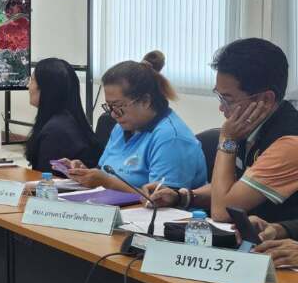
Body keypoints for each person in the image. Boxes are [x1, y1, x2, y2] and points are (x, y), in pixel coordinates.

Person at [144, 38, 298, 223]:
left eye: (228, 99)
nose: (221, 108)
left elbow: (223, 211)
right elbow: (235, 188)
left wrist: (227, 139)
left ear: (265, 100)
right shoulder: (252, 125)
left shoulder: (289, 143)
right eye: (219, 96)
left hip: (275, 239)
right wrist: (183, 196)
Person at [64, 51, 206, 191]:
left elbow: (161, 200)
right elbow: (105, 172)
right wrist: (86, 174)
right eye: (109, 106)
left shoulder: (171, 139)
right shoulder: (122, 127)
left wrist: (107, 182)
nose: (113, 114)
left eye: (118, 106)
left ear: (145, 101)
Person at [24, 57, 102, 171]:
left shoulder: (57, 131)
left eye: (32, 81)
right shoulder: (65, 120)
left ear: (46, 88)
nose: (28, 86)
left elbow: (45, 177)